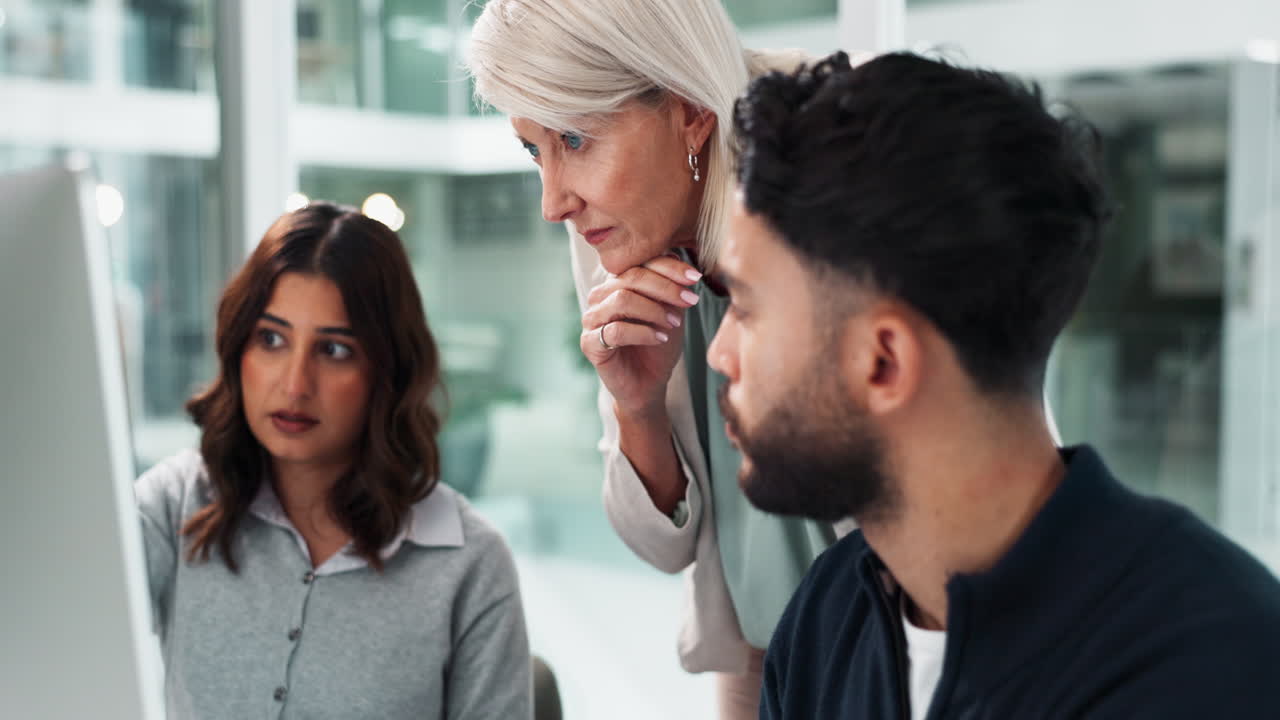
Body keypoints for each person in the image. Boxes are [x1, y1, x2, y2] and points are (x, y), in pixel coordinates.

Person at [710, 51, 1280, 719]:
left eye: (745, 308)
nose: (721, 354)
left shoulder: (1206, 665)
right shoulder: (828, 617)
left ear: (884, 361)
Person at [466, 2, 842, 715]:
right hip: (761, 658)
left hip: (904, 641)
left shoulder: (839, 179)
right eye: (533, 149)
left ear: (691, 112)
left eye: (575, 138)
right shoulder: (613, 226)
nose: (552, 202)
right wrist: (636, 405)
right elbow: (666, 548)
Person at [134, 202, 532, 719]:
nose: (295, 384)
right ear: (239, 349)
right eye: (271, 340)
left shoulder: (470, 565)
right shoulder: (175, 504)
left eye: (335, 350)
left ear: (387, 370)